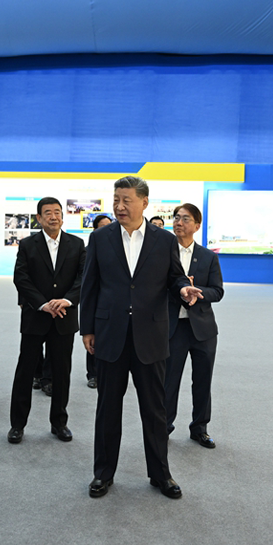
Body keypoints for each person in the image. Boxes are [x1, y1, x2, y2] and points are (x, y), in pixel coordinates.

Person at [80, 176, 202, 500]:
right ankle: (103, 473)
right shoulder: (100, 238)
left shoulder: (164, 240)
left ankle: (161, 474)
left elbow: (175, 277)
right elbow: (90, 285)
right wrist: (87, 329)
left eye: (127, 200)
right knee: (107, 409)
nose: (119, 206)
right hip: (111, 335)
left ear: (144, 202)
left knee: (155, 410)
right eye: (116, 200)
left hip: (151, 336)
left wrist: (183, 289)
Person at [7, 197, 86, 444]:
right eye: (48, 213)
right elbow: (21, 278)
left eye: (57, 212)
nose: (54, 216)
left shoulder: (77, 244)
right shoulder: (28, 244)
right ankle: (17, 424)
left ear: (63, 216)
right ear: (39, 218)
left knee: (62, 372)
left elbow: (83, 278)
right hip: (35, 316)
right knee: (26, 370)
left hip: (64, 316)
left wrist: (67, 300)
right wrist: (42, 304)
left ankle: (59, 423)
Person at [164, 203, 224, 448]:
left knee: (202, 381)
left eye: (185, 219)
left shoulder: (208, 257)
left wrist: (197, 292)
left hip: (202, 329)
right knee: (169, 381)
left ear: (197, 226)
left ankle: (200, 428)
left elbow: (217, 291)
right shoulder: (162, 254)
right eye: (176, 218)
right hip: (172, 327)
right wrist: (179, 289)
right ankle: (163, 427)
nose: (179, 222)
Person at [84, 214, 112, 389]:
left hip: (112, 304)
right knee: (93, 340)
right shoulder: (89, 250)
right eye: (102, 227)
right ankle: (93, 374)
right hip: (97, 303)